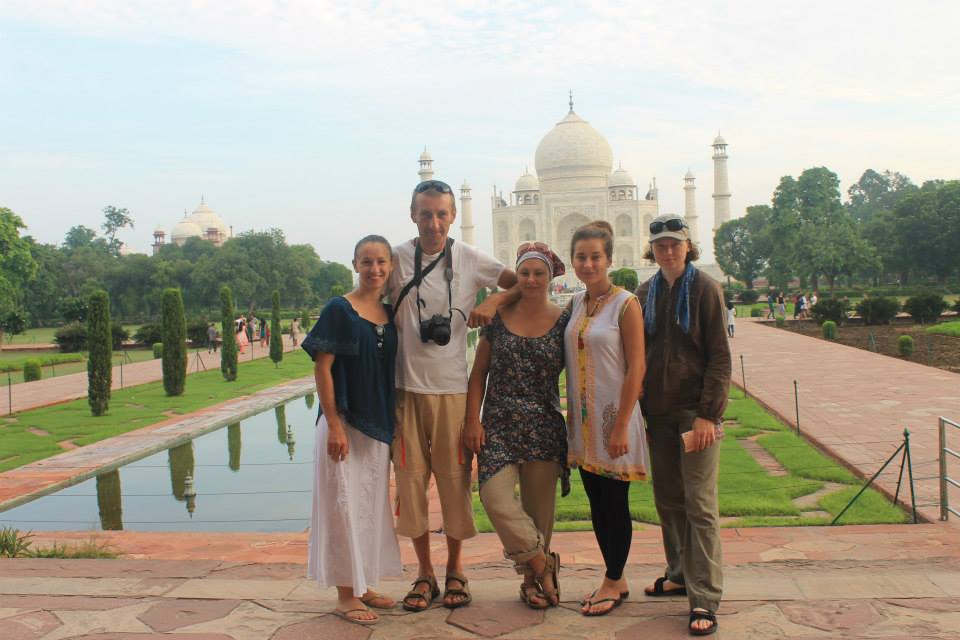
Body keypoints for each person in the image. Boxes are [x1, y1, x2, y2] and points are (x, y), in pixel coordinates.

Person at [387, 179, 518, 612]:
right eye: (425, 213)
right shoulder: (396, 258)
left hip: (452, 392)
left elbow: (520, 282)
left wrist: (494, 301)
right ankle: (424, 573)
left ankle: (456, 569)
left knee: (455, 484)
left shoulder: (468, 257)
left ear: (454, 216)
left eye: (442, 214)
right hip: (406, 391)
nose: (434, 223)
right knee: (411, 485)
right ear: (412, 214)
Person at [636, 214, 731, 637]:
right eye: (661, 245)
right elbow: (637, 355)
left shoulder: (705, 289)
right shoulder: (646, 293)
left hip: (695, 414)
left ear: (688, 246)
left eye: (675, 243)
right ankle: (678, 573)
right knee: (669, 499)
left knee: (699, 504)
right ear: (652, 250)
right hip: (658, 413)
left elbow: (720, 357)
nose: (669, 250)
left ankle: (704, 596)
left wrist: (709, 413)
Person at [302, 235, 402, 625]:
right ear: (355, 265)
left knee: (369, 508)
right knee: (343, 507)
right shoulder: (339, 309)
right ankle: (346, 596)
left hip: (376, 425)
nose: (374, 269)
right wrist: (333, 424)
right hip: (344, 423)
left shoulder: (389, 313)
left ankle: (362, 583)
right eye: (366, 262)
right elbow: (322, 367)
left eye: (381, 262)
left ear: (390, 266)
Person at [464, 242, 569, 610]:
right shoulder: (499, 319)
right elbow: (479, 373)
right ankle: (543, 563)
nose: (531, 279)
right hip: (499, 424)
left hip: (544, 424)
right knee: (495, 498)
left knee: (540, 513)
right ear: (517, 276)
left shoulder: (564, 321)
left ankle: (531, 582)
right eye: (524, 273)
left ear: (551, 277)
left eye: (539, 273)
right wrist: (472, 421)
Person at [564, 221, 649, 617]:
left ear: (609, 260)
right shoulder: (576, 304)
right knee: (597, 504)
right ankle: (616, 577)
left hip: (614, 420)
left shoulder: (625, 304)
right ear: (573, 261)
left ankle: (613, 579)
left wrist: (620, 426)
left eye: (595, 256)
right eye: (581, 257)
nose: (588, 264)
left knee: (615, 503)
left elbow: (637, 367)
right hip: (583, 424)